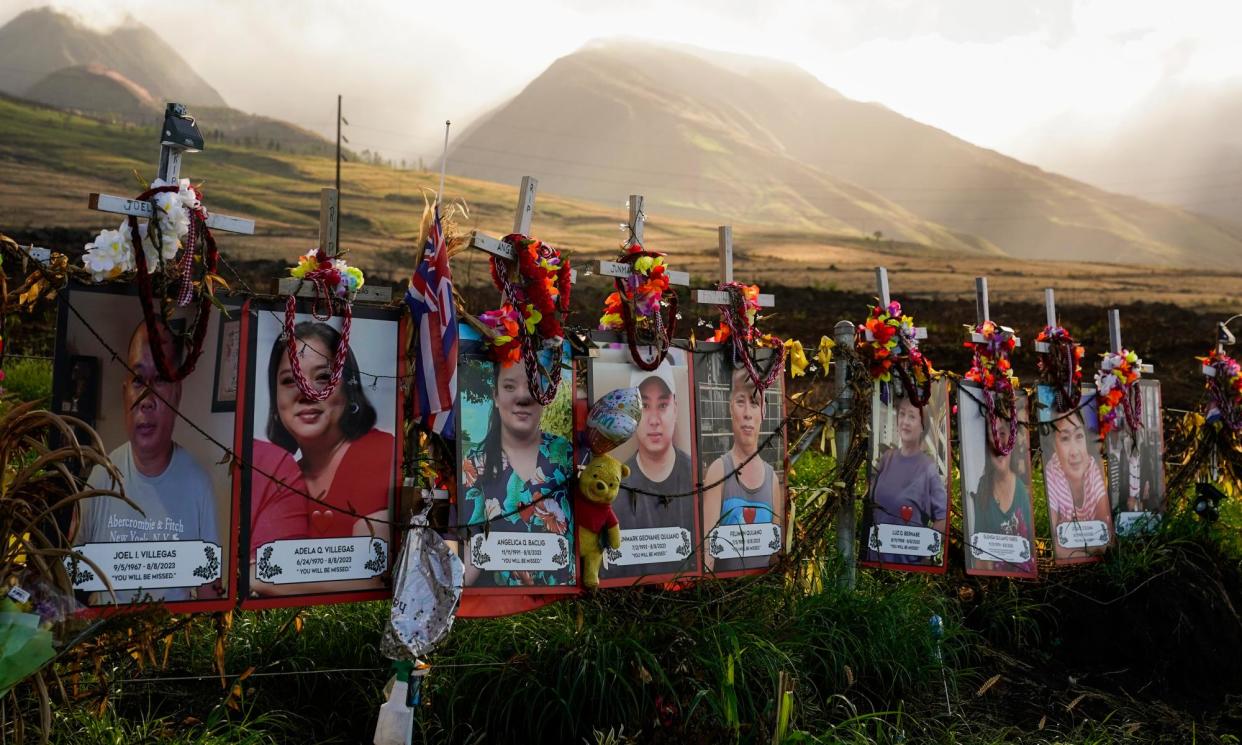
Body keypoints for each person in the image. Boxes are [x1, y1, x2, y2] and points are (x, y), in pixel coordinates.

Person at [76, 322, 218, 603]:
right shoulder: (101, 478)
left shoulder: (198, 486)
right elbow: (73, 585)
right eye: (139, 380)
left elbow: (209, 595)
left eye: (161, 380)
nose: (146, 400)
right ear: (125, 391)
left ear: (177, 394)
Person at [249, 321, 394, 596]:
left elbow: (372, 575)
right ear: (275, 398)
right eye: (290, 380)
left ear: (350, 389)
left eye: (324, 378)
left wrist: (261, 579)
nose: (306, 392)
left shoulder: (377, 451)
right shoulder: (283, 473)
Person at [461, 360, 573, 587]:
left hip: (563, 606)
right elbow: (470, 548)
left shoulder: (566, 454)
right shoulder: (473, 464)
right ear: (495, 396)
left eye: (532, 387)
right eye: (510, 387)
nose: (522, 398)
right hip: (503, 611)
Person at [609, 361, 695, 579]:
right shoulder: (614, 489)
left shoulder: (697, 478)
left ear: (675, 408)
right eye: (644, 406)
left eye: (663, 405)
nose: (654, 420)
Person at [702, 368, 780, 573]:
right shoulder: (718, 471)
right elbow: (707, 551)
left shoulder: (772, 479)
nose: (746, 413)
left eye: (754, 403)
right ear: (730, 409)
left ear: (763, 411)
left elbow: (776, 552)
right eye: (740, 402)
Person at [863, 394, 947, 565]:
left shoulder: (927, 468)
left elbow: (943, 517)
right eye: (902, 414)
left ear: (923, 426)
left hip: (907, 567)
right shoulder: (886, 459)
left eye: (912, 416)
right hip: (875, 562)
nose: (905, 421)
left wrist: (925, 555)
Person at [969, 415, 1035, 574]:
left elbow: (1031, 547)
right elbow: (979, 550)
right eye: (991, 435)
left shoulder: (1021, 491)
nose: (997, 442)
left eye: (1002, 433)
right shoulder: (983, 487)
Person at [1044, 410, 1111, 558]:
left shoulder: (1092, 469)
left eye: (1079, 436)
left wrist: (1073, 550)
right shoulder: (1053, 472)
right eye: (1065, 439)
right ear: (1055, 446)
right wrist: (1089, 553)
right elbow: (1054, 543)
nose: (1075, 451)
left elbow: (1106, 537)